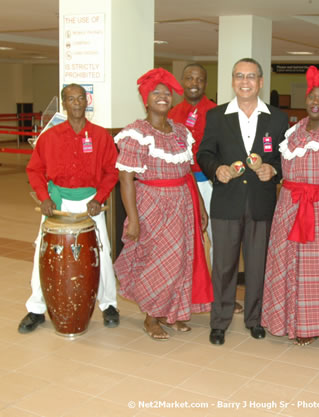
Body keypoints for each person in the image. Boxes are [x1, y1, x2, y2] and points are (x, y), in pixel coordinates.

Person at [113, 68, 212, 340]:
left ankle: (173, 313)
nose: (162, 98)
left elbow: (189, 172)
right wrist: (133, 219)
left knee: (180, 261)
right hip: (152, 205)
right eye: (156, 94)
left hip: (182, 204)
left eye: (166, 94)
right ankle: (151, 317)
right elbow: (126, 179)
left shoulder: (181, 132)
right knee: (155, 262)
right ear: (146, 100)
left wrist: (200, 207)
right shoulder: (136, 133)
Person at [197, 58, 288, 345]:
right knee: (223, 266)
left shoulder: (277, 118)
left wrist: (273, 169)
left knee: (257, 266)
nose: (245, 81)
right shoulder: (216, 115)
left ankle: (255, 318)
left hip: (261, 204)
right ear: (232, 81)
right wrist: (216, 169)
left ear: (261, 82)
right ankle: (219, 321)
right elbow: (205, 153)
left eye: (251, 76)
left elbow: (285, 158)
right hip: (226, 202)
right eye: (239, 76)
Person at [19, 83, 120, 333]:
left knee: (102, 253)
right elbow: (34, 170)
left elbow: (112, 171)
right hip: (57, 203)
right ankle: (36, 309)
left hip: (90, 204)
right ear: (64, 103)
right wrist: (44, 198)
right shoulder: (50, 137)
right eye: (70, 99)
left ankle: (108, 305)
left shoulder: (100, 136)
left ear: (87, 102)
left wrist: (100, 198)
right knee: (41, 256)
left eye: (80, 98)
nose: (76, 103)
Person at [261, 66, 319, 346]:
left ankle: (309, 324)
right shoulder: (295, 130)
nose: (315, 102)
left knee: (313, 269)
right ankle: (282, 318)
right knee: (284, 263)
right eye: (312, 96)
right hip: (288, 205)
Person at [168, 63, 244, 315]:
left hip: (212, 183)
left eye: (199, 79)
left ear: (206, 84)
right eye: (189, 77)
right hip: (180, 185)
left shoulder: (219, 112)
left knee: (221, 240)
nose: (194, 83)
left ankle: (222, 295)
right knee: (182, 241)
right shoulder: (171, 113)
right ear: (181, 81)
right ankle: (185, 294)